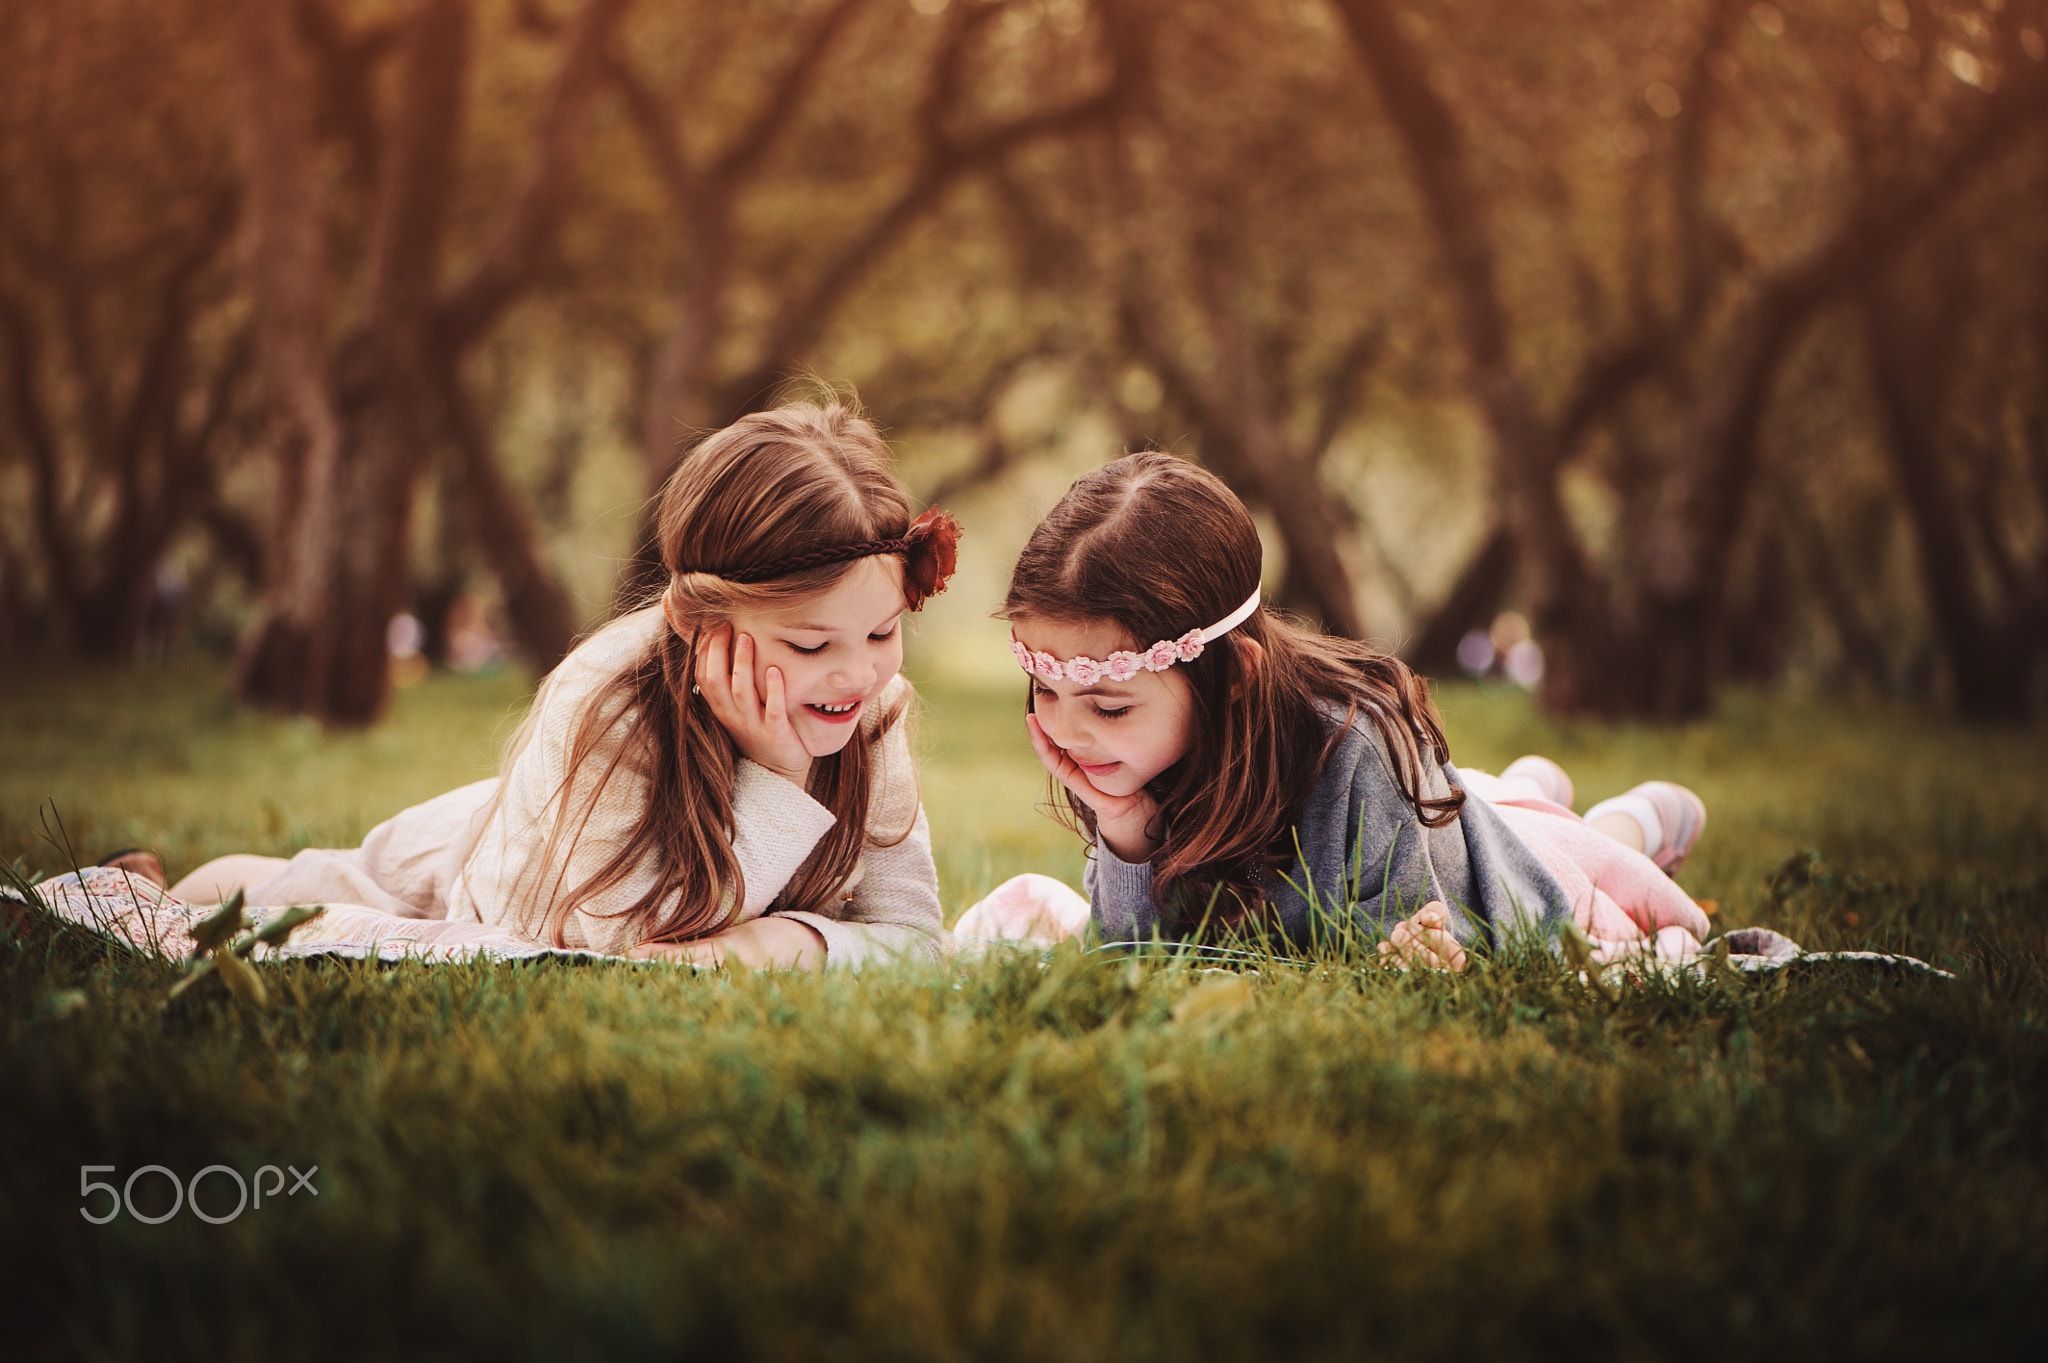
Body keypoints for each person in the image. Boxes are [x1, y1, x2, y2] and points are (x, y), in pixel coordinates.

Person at [168, 401, 959, 970]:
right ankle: (152, 884)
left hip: (555, 823)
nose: (859, 673)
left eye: (884, 632)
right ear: (698, 622)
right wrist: (780, 772)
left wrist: (786, 942)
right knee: (294, 890)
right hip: (500, 857)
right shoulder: (609, 698)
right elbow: (629, 952)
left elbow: (916, 936)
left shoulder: (870, 715)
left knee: (319, 882)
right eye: (812, 642)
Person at [999, 450, 1710, 970]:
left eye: (1109, 705)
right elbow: (1130, 953)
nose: (1065, 729)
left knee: (1564, 854)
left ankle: (1640, 817)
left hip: (1481, 868)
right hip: (1438, 815)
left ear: (1234, 677)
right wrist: (1126, 829)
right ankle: (1523, 786)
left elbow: (1401, 940)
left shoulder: (1354, 748)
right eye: (1045, 691)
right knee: (1491, 801)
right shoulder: (1129, 753)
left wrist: (1417, 957)